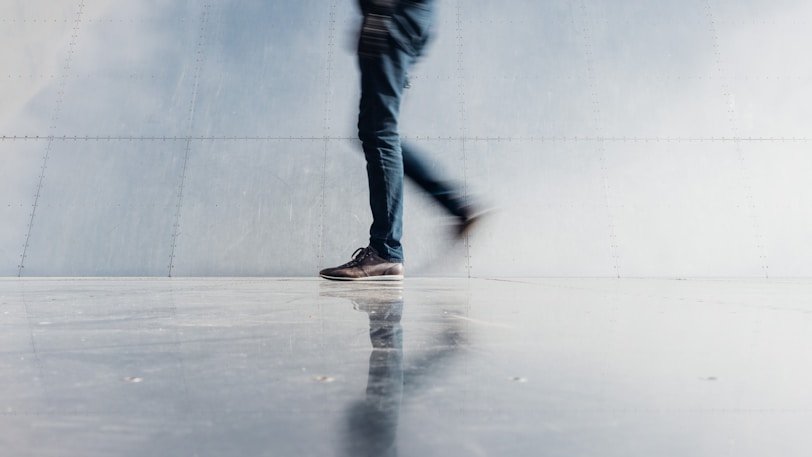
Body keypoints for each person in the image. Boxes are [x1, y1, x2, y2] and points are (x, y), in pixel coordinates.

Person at [320, 0, 484, 281]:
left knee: (379, 132)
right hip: (403, 17)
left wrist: (380, 11)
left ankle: (385, 251)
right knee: (376, 131)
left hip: (392, 14)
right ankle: (454, 206)